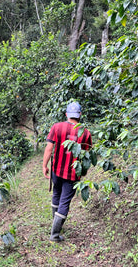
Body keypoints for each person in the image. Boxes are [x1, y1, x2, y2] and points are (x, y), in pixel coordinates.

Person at [42, 102, 92, 242]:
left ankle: (55, 225)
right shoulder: (85, 132)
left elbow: (49, 149)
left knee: (56, 194)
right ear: (80, 115)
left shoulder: (57, 127)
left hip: (56, 170)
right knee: (64, 202)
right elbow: (86, 155)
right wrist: (83, 171)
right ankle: (55, 234)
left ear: (66, 114)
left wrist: (44, 165)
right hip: (72, 174)